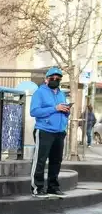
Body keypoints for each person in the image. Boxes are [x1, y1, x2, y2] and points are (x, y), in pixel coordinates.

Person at [30, 67, 70, 197]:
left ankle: (53, 187)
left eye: (58, 78)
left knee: (56, 161)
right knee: (40, 160)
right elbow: (34, 111)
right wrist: (55, 108)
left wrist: (66, 111)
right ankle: (38, 188)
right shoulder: (39, 93)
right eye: (52, 78)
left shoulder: (61, 94)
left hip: (59, 132)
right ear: (46, 79)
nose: (55, 80)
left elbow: (62, 110)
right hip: (44, 130)